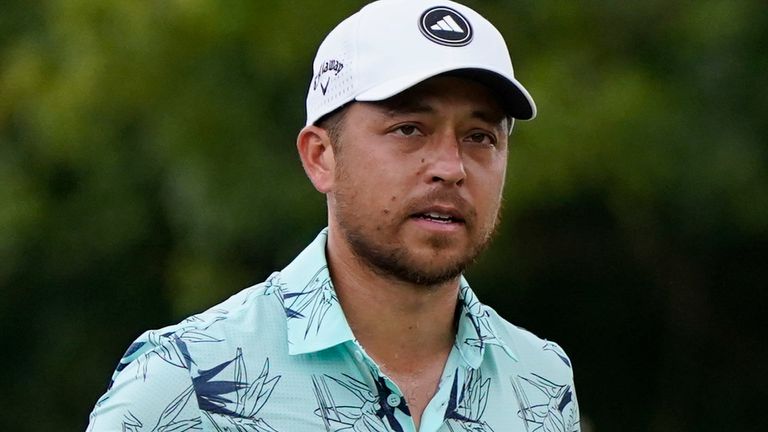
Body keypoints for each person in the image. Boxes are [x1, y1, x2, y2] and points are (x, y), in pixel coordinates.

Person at [87, 0, 580, 431]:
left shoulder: (540, 381)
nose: (450, 168)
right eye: (409, 129)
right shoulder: (184, 379)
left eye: (480, 137)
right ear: (321, 156)